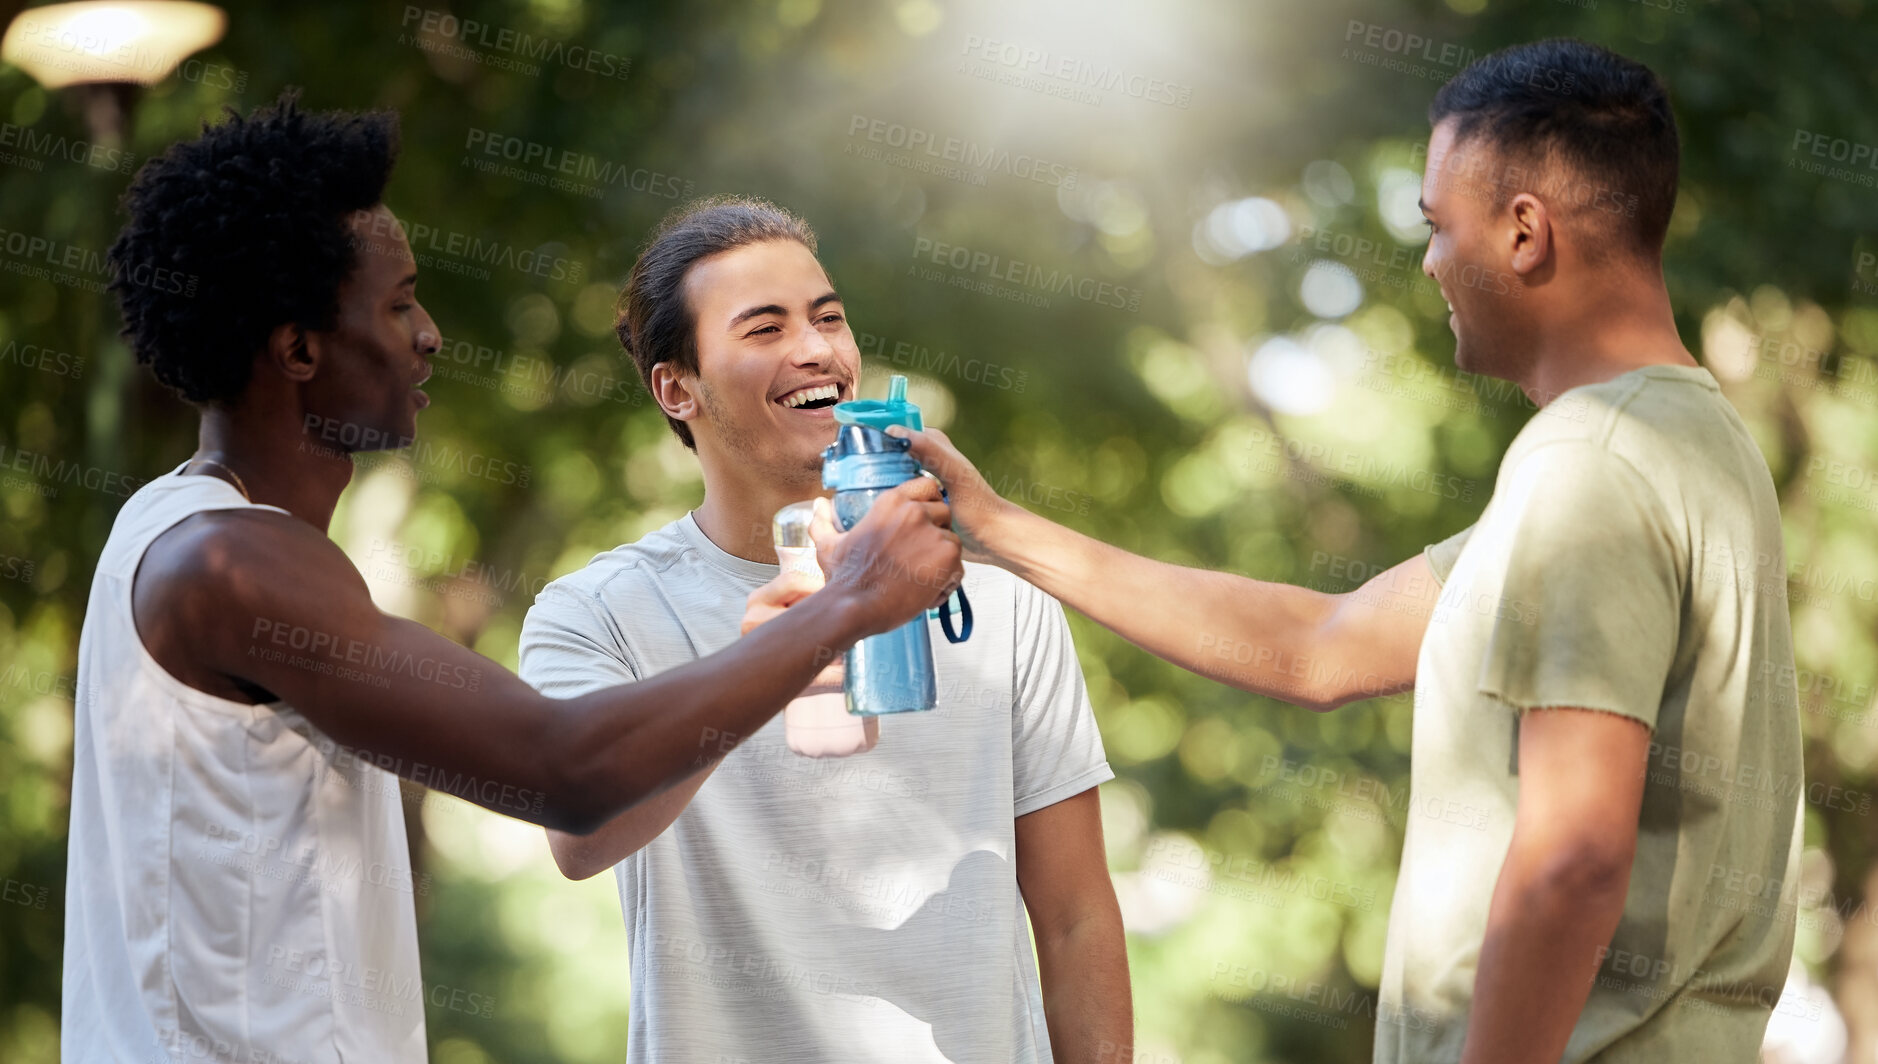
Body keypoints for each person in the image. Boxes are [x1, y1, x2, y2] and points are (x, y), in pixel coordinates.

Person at [899, 39, 1802, 1064]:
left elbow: (1573, 856)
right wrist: (1001, 526)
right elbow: (1320, 641)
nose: (1428, 262)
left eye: (1436, 226)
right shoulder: (1692, 444)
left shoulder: (1588, 461)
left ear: (1523, 232)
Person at [64, 96, 960, 1064]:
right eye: (399, 302)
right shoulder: (229, 565)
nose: (431, 334)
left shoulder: (185, 529)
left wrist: (771, 645)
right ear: (298, 349)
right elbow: (563, 771)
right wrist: (851, 602)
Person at [517, 197, 1131, 1064]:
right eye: (764, 328)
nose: (817, 350)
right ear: (676, 387)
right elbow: (579, 838)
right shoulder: (599, 613)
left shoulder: (1002, 603)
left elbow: (1074, 919)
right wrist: (774, 652)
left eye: (828, 318)